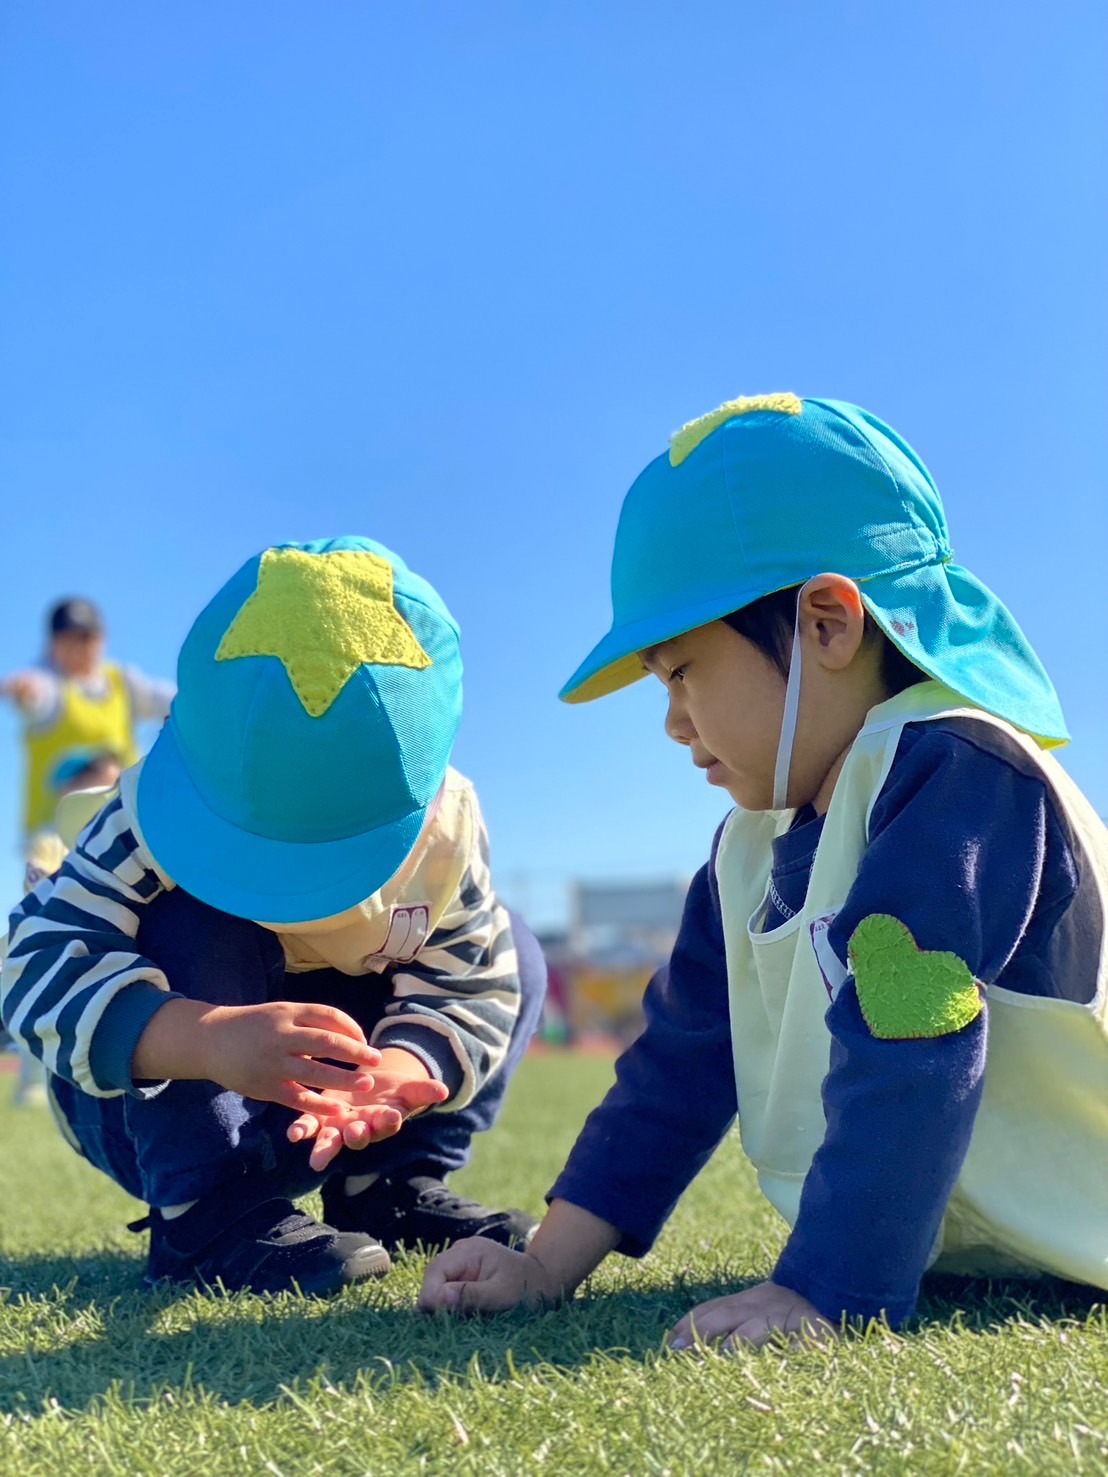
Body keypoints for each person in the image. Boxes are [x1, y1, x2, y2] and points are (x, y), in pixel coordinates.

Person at [419, 393, 1108, 1348]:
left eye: (682, 670)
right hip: (980, 1256)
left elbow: (910, 1026)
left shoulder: (960, 774)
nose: (672, 718)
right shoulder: (748, 853)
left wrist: (827, 1289)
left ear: (828, 624)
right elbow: (678, 1064)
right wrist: (546, 1260)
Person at [2, 537, 545, 1296]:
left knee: (513, 944)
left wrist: (404, 1069)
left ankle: (385, 1186)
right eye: (247, 849)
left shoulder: (449, 830)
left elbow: (478, 982)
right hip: (141, 1105)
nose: (290, 889)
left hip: (334, 1115)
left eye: (326, 857)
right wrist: (200, 1038)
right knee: (192, 915)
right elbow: (33, 969)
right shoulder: (144, 812)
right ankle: (206, 1211)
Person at [1, 597, 174, 840]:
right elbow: (34, 694)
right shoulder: (50, 686)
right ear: (53, 644)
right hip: (55, 841)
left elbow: (175, 699)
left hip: (119, 828)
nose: (81, 648)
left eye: (87, 637)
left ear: (102, 639)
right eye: (70, 639)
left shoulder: (122, 682)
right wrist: (23, 691)